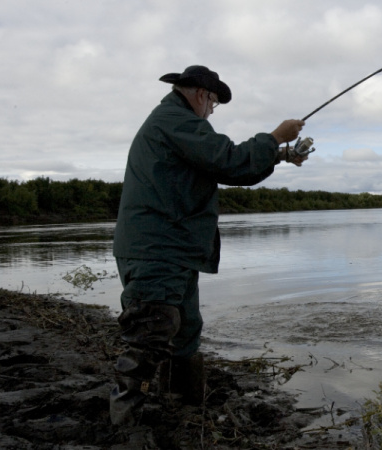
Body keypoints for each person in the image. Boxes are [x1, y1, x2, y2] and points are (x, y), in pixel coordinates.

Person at [109, 65, 307, 426]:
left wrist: (279, 155)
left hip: (175, 249)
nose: (212, 111)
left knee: (185, 332)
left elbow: (228, 168)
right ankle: (125, 426)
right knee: (150, 334)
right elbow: (229, 160)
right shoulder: (175, 120)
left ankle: (183, 411)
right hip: (157, 249)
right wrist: (275, 137)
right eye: (213, 103)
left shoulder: (177, 124)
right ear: (201, 94)